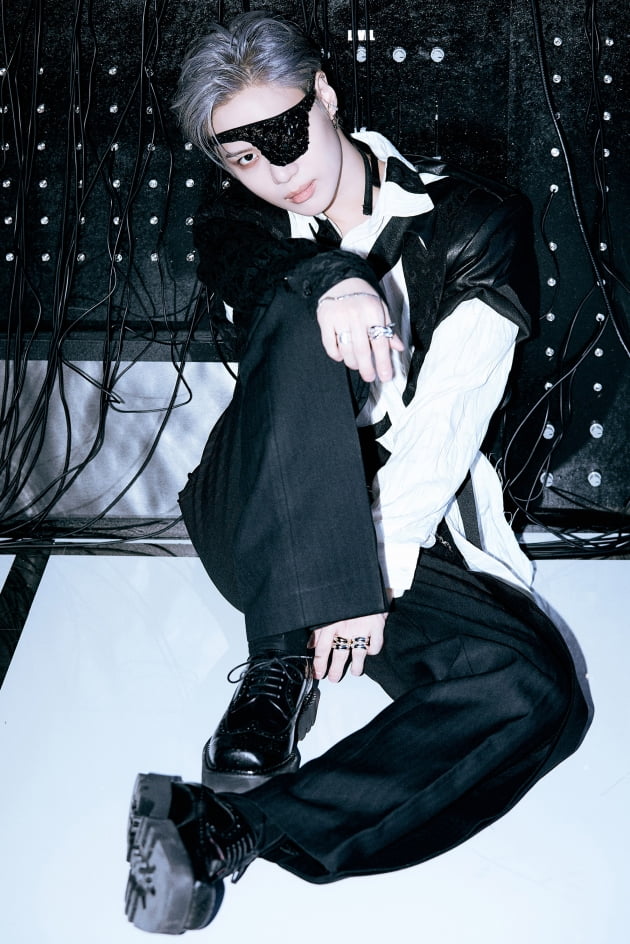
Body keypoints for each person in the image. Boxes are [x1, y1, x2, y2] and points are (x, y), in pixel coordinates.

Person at [124, 11, 592, 934]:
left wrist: (372, 564)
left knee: (539, 693)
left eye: (284, 132)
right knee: (307, 306)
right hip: (255, 515)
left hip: (401, 523)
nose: (275, 170)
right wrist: (332, 279)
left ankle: (223, 830)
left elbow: (454, 409)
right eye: (243, 157)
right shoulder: (239, 223)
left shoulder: (471, 220)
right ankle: (279, 662)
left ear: (327, 95)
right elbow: (249, 260)